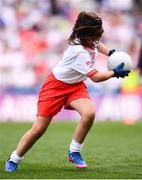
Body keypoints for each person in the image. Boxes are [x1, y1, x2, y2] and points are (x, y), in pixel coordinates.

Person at [5, 11, 130, 172]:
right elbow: (97, 77)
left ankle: (74, 151)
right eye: (95, 34)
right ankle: (14, 158)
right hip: (54, 88)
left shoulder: (88, 38)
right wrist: (115, 73)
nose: (97, 37)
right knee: (39, 129)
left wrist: (112, 53)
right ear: (86, 33)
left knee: (89, 113)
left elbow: (98, 44)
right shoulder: (77, 51)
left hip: (75, 86)